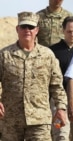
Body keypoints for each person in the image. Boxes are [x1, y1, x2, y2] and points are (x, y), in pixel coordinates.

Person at [0, 11, 68, 141]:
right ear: (17, 29)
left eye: (31, 27)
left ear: (37, 30)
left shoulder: (47, 55)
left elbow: (56, 85)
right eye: (23, 26)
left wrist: (61, 108)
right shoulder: (4, 55)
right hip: (11, 120)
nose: (27, 30)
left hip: (39, 119)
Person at [50, 16, 73, 141]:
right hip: (58, 101)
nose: (72, 34)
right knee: (60, 135)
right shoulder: (52, 51)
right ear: (63, 31)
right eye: (69, 31)